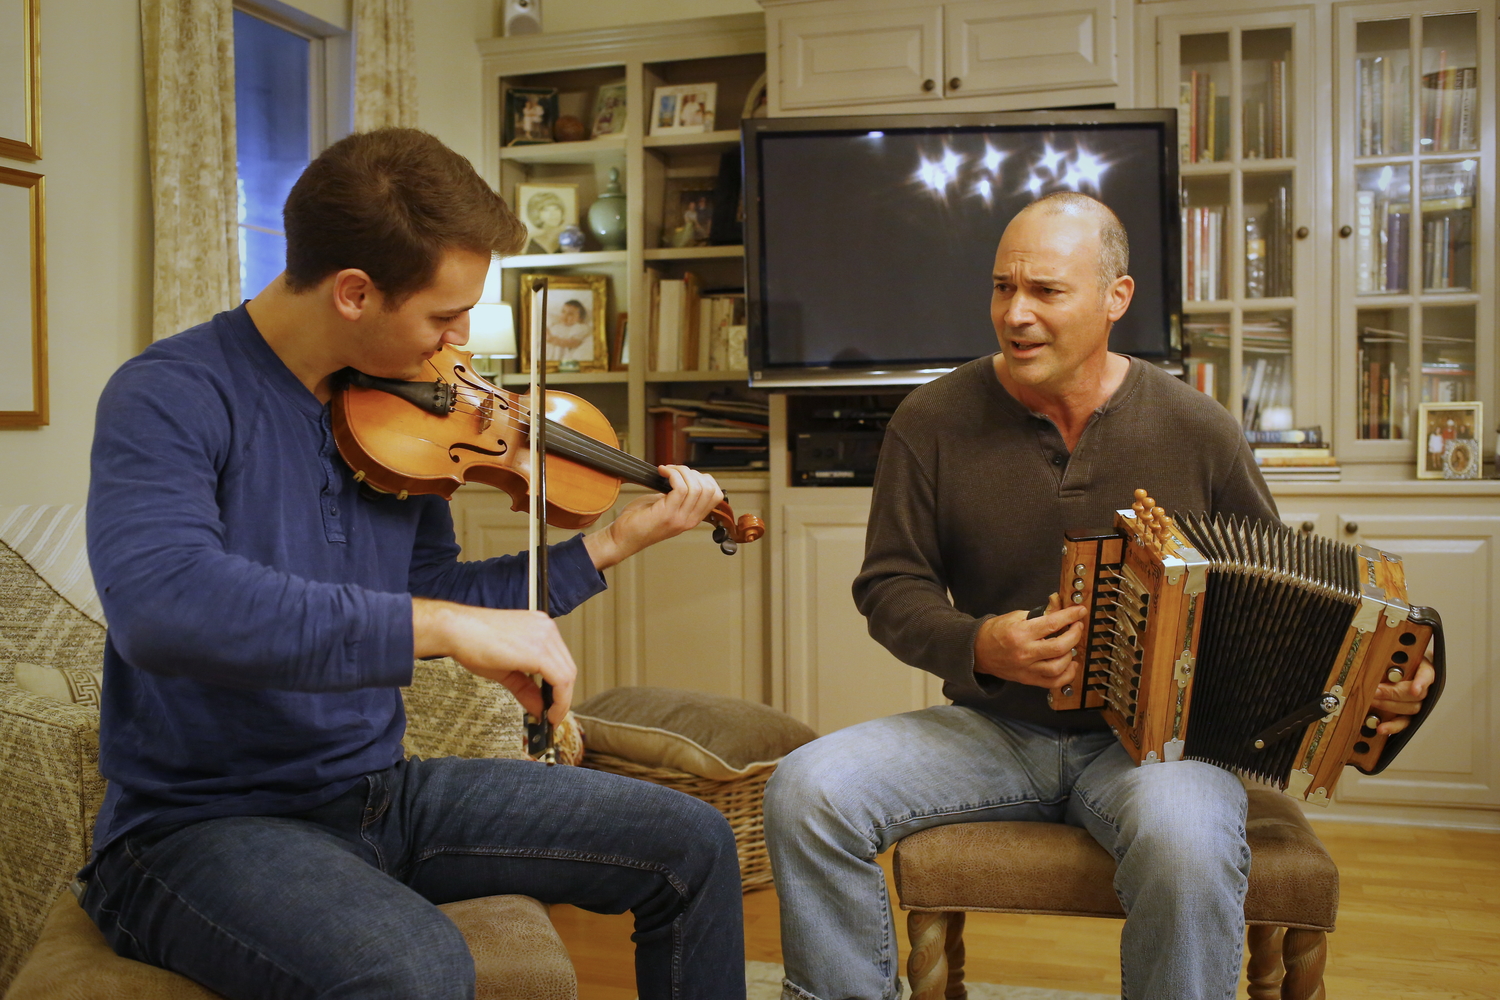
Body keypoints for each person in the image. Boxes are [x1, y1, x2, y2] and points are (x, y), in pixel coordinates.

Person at [80, 128, 746, 1000]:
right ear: (355, 292)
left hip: (376, 794)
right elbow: (164, 607)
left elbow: (436, 594)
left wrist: (609, 543)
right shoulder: (169, 394)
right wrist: (441, 627)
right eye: (443, 315)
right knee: (414, 965)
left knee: (691, 842)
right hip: (197, 827)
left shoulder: (396, 420)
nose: (460, 341)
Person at [763, 191, 1435, 1000]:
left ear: (1116, 299)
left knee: (1187, 841)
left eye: (1046, 291)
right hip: (994, 729)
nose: (1015, 314)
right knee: (805, 790)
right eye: (1002, 288)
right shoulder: (929, 418)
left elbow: (1294, 606)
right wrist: (982, 644)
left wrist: (1377, 683)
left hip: (1159, 749)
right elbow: (889, 585)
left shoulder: (1199, 428)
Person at [546, 298, 594, 363]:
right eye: (563, 311)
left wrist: (552, 340)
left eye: (570, 314)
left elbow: (574, 343)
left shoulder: (579, 327)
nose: (565, 316)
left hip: (559, 355)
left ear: (580, 319)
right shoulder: (555, 325)